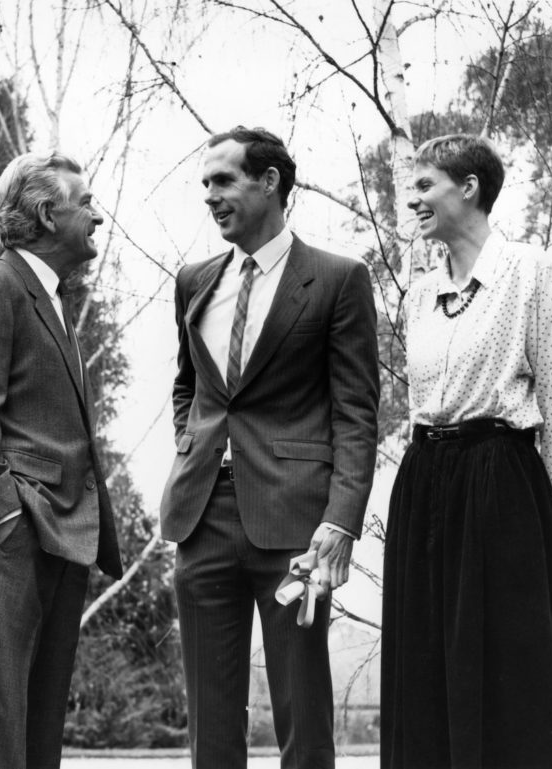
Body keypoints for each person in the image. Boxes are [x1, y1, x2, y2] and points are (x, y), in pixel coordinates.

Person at [160, 126, 380, 769]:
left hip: (296, 525)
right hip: (201, 516)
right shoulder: (194, 280)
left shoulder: (338, 279)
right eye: (205, 184)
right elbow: (189, 385)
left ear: (270, 182)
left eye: (223, 181)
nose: (210, 196)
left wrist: (340, 520)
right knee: (211, 714)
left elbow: (356, 413)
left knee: (302, 709)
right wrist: (191, 441)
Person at [381, 134, 552, 769]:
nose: (412, 199)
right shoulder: (419, 292)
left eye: (425, 186)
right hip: (425, 486)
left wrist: (543, 517)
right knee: (425, 665)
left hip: (502, 487)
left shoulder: (528, 272)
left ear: (468, 188)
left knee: (508, 671)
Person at [0, 152, 123, 769]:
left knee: (37, 733)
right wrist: (8, 517)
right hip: (7, 538)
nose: (97, 216)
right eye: (86, 202)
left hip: (58, 537)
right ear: (48, 213)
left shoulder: (52, 299)